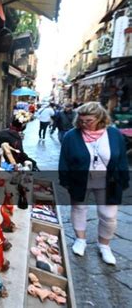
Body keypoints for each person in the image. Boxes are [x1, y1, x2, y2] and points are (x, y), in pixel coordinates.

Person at [59, 102, 129, 265]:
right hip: (80, 180)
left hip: (109, 180)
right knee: (79, 209)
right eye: (81, 120)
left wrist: (124, 179)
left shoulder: (114, 134)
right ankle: (80, 240)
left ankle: (104, 246)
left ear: (100, 118)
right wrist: (65, 180)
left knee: (109, 216)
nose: (84, 124)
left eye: (89, 121)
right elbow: (64, 160)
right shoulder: (71, 135)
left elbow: (122, 160)